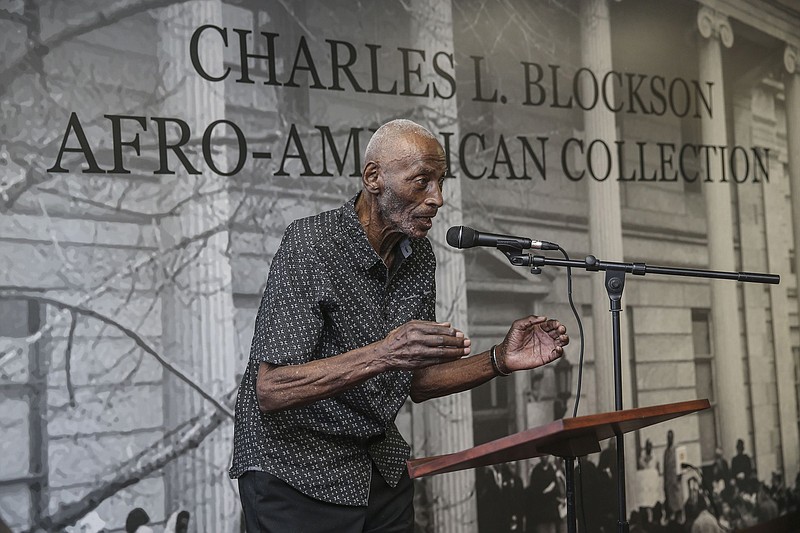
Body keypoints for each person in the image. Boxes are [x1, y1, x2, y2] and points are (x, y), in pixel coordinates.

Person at [229, 119, 570, 532]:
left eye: (440, 182)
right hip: (295, 474)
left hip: (377, 468)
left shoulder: (420, 257)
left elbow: (419, 382)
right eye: (422, 182)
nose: (437, 199)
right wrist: (385, 353)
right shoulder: (311, 245)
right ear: (374, 177)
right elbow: (272, 388)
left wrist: (499, 359)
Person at [663, 430, 682, 521]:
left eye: (670, 437)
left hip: (675, 480)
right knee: (670, 502)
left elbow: (682, 463)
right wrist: (664, 482)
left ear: (673, 437)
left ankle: (679, 517)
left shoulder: (677, 449)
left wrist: (679, 477)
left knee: (677, 501)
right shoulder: (666, 451)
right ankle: (672, 519)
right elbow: (664, 468)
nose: (669, 439)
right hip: (668, 481)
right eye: (668, 437)